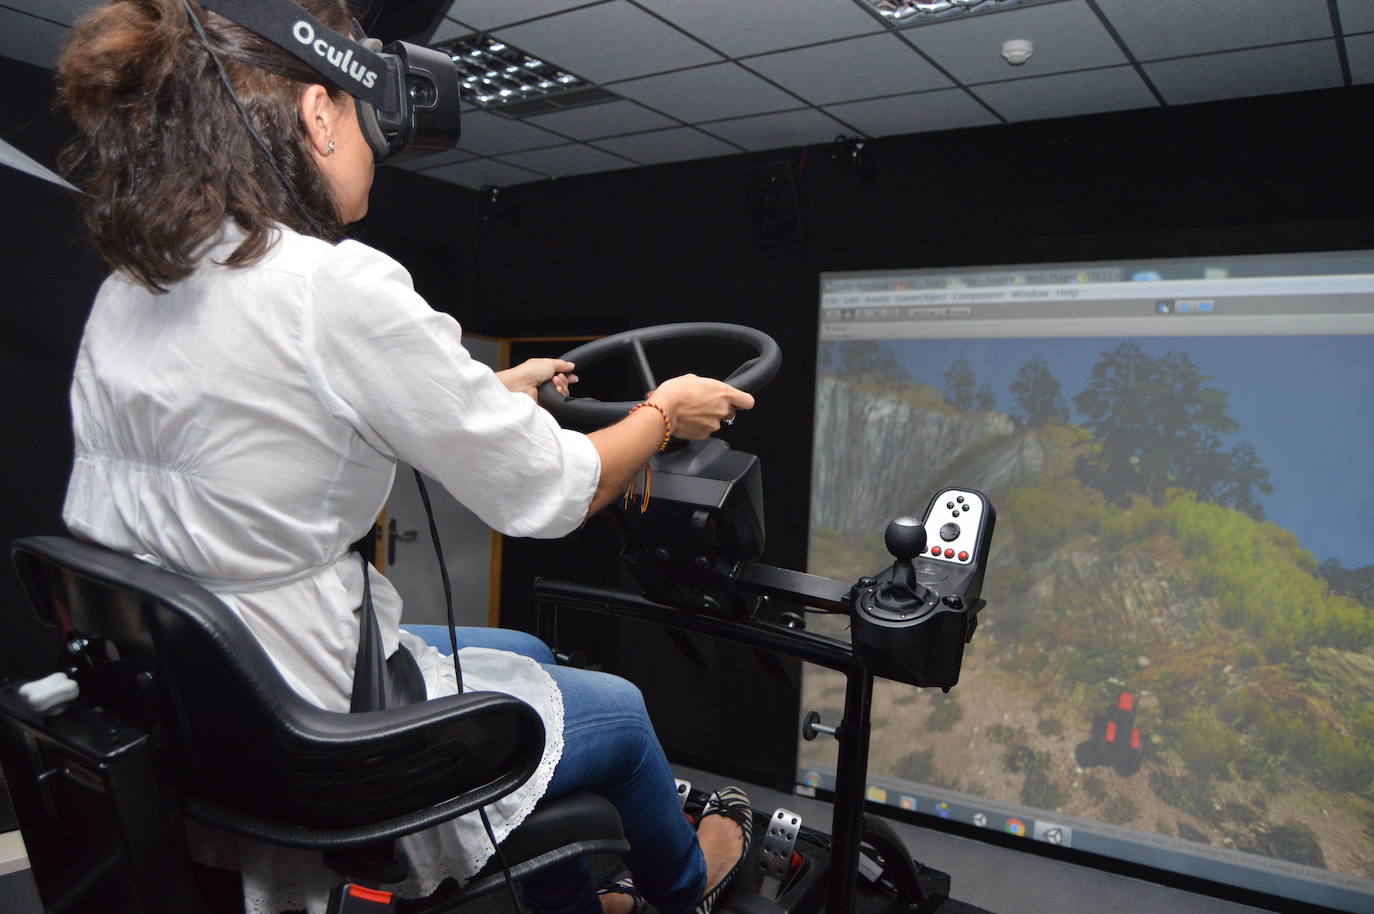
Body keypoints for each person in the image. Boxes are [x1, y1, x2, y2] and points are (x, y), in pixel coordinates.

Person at [54, 2, 756, 913]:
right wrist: (664, 414)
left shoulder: (140, 286)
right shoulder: (333, 285)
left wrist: (492, 392)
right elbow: (552, 491)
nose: (373, 143)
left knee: (530, 647)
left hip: (196, 697)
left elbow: (279, 429)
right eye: (358, 112)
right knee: (618, 711)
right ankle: (686, 886)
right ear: (317, 113)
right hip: (308, 720)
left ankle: (570, 898)